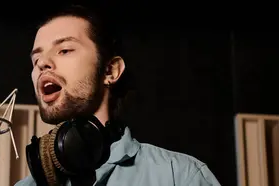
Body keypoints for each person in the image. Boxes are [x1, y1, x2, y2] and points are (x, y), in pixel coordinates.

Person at [15, 5, 221, 186]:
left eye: (65, 50)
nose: (43, 63)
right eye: (36, 60)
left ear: (110, 71)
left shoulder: (181, 176)